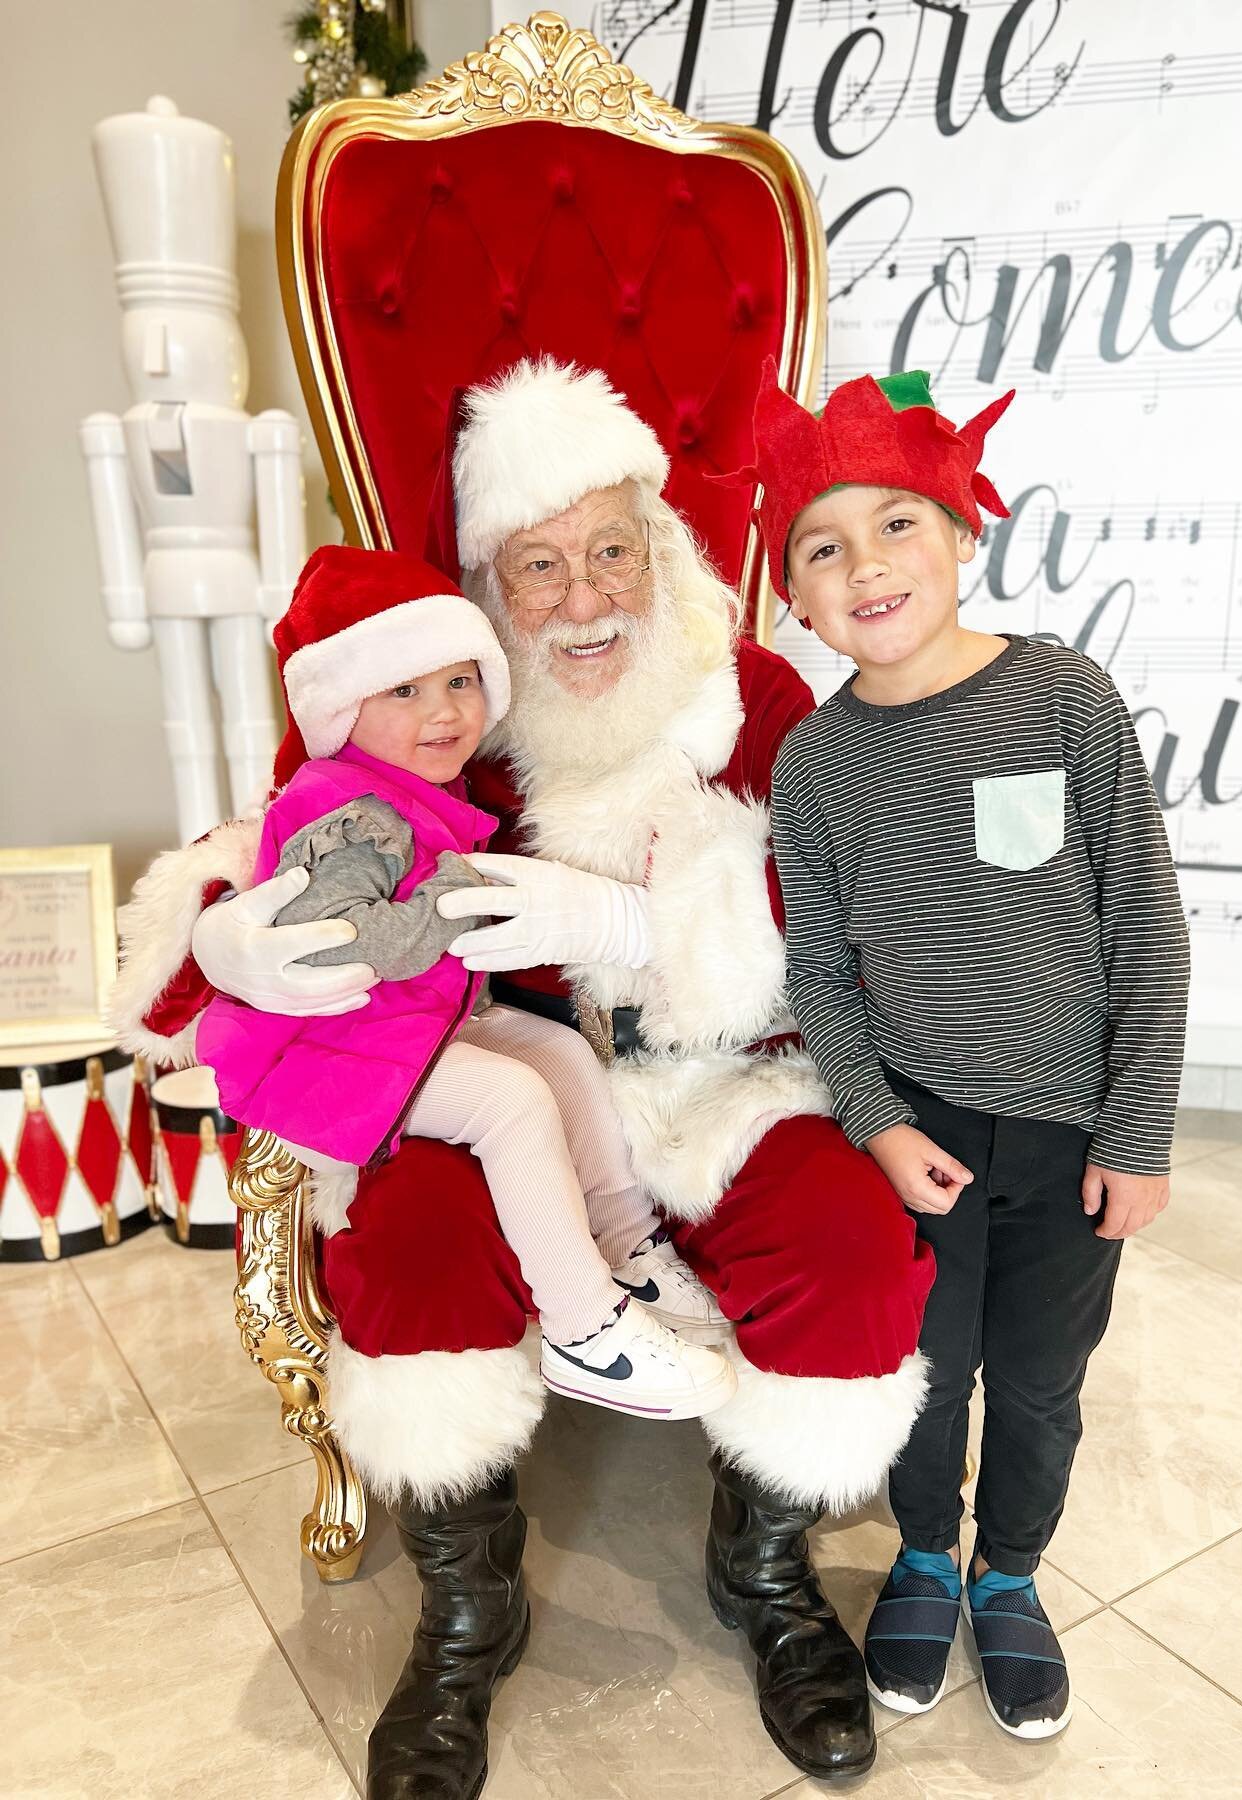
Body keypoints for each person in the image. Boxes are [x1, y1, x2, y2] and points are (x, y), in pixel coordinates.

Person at [112, 358, 936, 1798]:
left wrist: (626, 927)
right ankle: (472, 1600)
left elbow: (855, 912)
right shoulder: (439, 711)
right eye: (538, 566)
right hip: (491, 1091)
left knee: (851, 1247)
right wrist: (223, 937)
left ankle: (764, 1564)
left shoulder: (750, 689)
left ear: (661, 546)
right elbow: (271, 852)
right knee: (414, 1239)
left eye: (612, 549)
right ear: (489, 589)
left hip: (733, 1082)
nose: (582, 595)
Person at [747, 364, 1191, 1738]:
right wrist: (876, 1124)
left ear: (960, 532)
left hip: (1070, 1138)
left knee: (1042, 1378)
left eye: (897, 526)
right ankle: (926, 1559)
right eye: (823, 548)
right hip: (919, 1130)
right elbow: (821, 973)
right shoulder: (815, 768)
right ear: (796, 597)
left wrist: (1137, 1132)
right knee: (926, 1372)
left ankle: (1011, 1574)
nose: (866, 566)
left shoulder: (1062, 699)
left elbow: (1149, 929)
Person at [196, 544, 734, 1418]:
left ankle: (628, 1247)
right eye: (403, 691)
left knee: (559, 1050)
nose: (444, 712)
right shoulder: (343, 807)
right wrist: (453, 901)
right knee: (510, 1101)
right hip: (330, 1046)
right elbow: (342, 944)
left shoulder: (403, 784)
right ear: (340, 709)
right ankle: (585, 1330)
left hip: (408, 1026)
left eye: (459, 681)